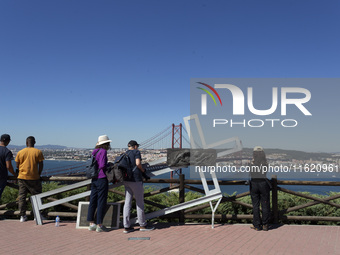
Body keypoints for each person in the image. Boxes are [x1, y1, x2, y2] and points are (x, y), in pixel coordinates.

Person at [123, 140, 154, 233]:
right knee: (139, 202)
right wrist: (143, 170)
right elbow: (137, 164)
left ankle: (126, 226)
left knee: (127, 203)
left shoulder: (125, 153)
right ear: (135, 146)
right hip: (136, 180)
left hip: (126, 180)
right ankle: (142, 225)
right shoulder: (136, 152)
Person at [15, 136, 44, 222]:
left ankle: (22, 216)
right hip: (34, 178)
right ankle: (37, 215)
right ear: (34, 142)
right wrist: (38, 174)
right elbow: (41, 165)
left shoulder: (20, 152)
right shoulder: (38, 152)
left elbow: (17, 164)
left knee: (22, 197)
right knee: (37, 197)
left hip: (22, 178)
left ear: (26, 143)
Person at [87, 135, 111, 232]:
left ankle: (91, 223)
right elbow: (102, 165)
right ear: (106, 144)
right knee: (101, 201)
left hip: (94, 178)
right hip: (101, 178)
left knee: (92, 200)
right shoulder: (103, 152)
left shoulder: (94, 151)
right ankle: (99, 225)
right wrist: (109, 165)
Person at [249, 146, 271, 231]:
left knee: (255, 206)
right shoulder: (265, 163)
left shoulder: (251, 163)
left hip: (254, 184)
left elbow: (251, 173)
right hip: (263, 184)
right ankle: (265, 224)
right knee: (265, 204)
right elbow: (264, 172)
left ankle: (257, 225)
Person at [0, 134, 15, 201]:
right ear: (7, 141)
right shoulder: (7, 152)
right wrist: (14, 174)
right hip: (1, 177)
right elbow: (8, 166)